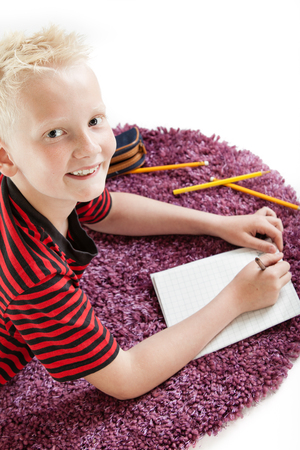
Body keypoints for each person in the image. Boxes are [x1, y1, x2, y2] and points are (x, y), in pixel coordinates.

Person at [0, 26, 291, 399]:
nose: (90, 149)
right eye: (55, 133)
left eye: (94, 121)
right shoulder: (34, 279)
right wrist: (237, 298)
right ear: (7, 157)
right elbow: (127, 378)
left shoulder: (44, 184)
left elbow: (108, 210)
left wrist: (218, 223)